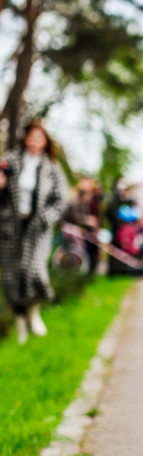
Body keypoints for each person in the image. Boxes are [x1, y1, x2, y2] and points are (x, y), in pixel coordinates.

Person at [0, 119, 69, 344]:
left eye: (39, 137)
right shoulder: (9, 161)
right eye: (31, 136)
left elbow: (61, 200)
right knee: (13, 276)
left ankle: (34, 312)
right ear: (25, 138)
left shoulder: (52, 168)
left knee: (36, 271)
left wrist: (46, 218)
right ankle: (20, 323)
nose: (34, 141)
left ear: (45, 141)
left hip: (37, 229)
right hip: (10, 227)